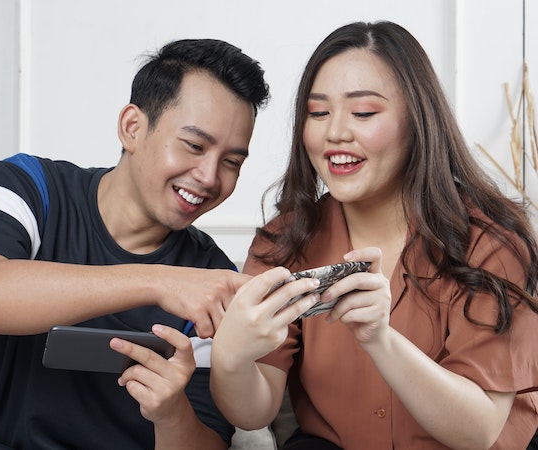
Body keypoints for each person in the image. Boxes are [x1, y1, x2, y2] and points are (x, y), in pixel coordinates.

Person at [210, 21, 538, 449]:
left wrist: (380, 340)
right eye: (318, 112)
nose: (335, 133)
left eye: (364, 113)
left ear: (417, 121)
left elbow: (478, 430)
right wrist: (231, 356)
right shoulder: (286, 240)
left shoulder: (491, 242)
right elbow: (257, 408)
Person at [0, 38, 269, 449]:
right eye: (194, 145)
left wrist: (171, 414)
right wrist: (158, 282)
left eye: (231, 162)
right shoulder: (30, 186)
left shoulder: (211, 280)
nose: (209, 177)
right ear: (133, 127)